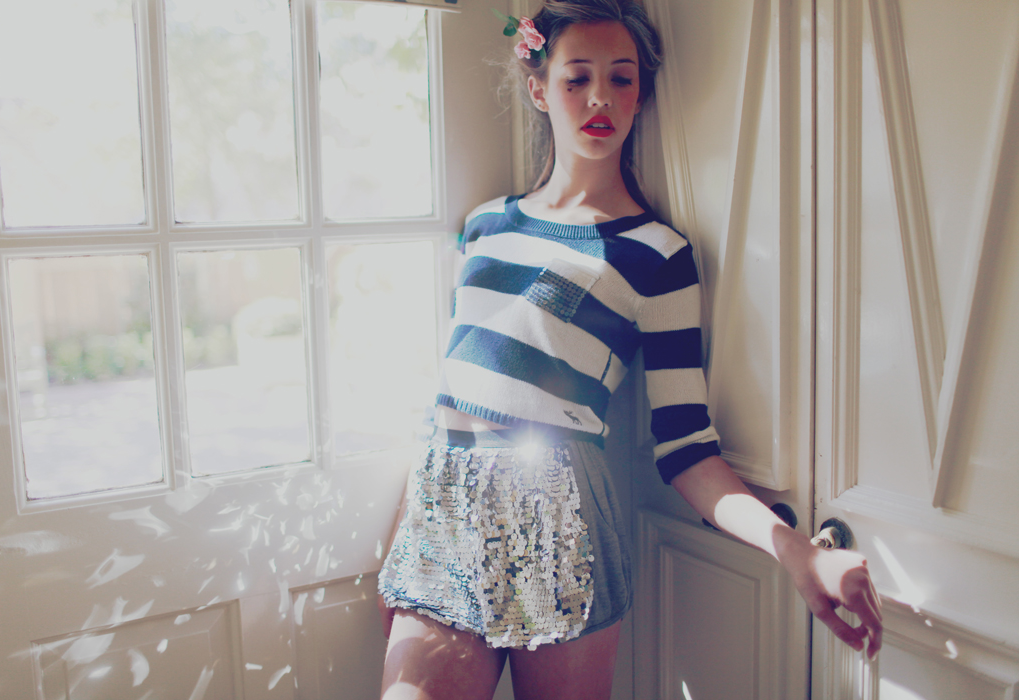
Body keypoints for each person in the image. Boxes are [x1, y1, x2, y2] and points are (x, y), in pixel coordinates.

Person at [377, 1, 882, 698]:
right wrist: (409, 525)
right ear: (539, 88)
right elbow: (452, 390)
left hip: (560, 522)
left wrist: (796, 551)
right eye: (577, 78)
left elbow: (688, 448)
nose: (600, 98)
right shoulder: (485, 225)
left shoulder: (657, 256)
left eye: (621, 78)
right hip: (445, 510)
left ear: (640, 94)